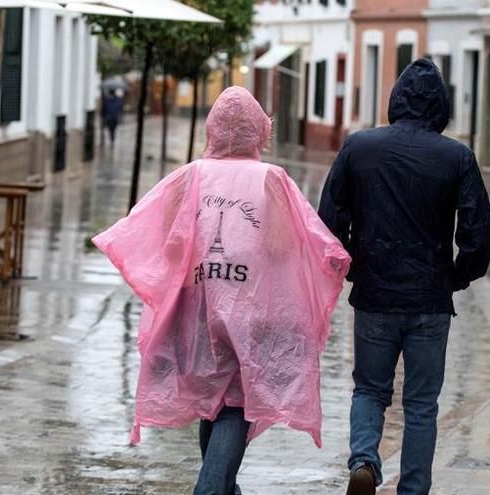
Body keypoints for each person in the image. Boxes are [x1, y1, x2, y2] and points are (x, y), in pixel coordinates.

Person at [92, 86, 350, 495]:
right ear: (257, 132)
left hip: (194, 311)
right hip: (254, 310)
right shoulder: (271, 180)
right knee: (234, 401)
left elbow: (166, 241)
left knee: (213, 399)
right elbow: (287, 245)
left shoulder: (189, 176)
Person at [318, 58, 490, 495]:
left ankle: (364, 459)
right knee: (421, 404)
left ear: (395, 99)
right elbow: (481, 234)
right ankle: (413, 489)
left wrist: (352, 265)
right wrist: (457, 276)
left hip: (375, 294)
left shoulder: (359, 147)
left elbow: (327, 219)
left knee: (369, 390)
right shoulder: (457, 157)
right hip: (429, 300)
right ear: (441, 106)